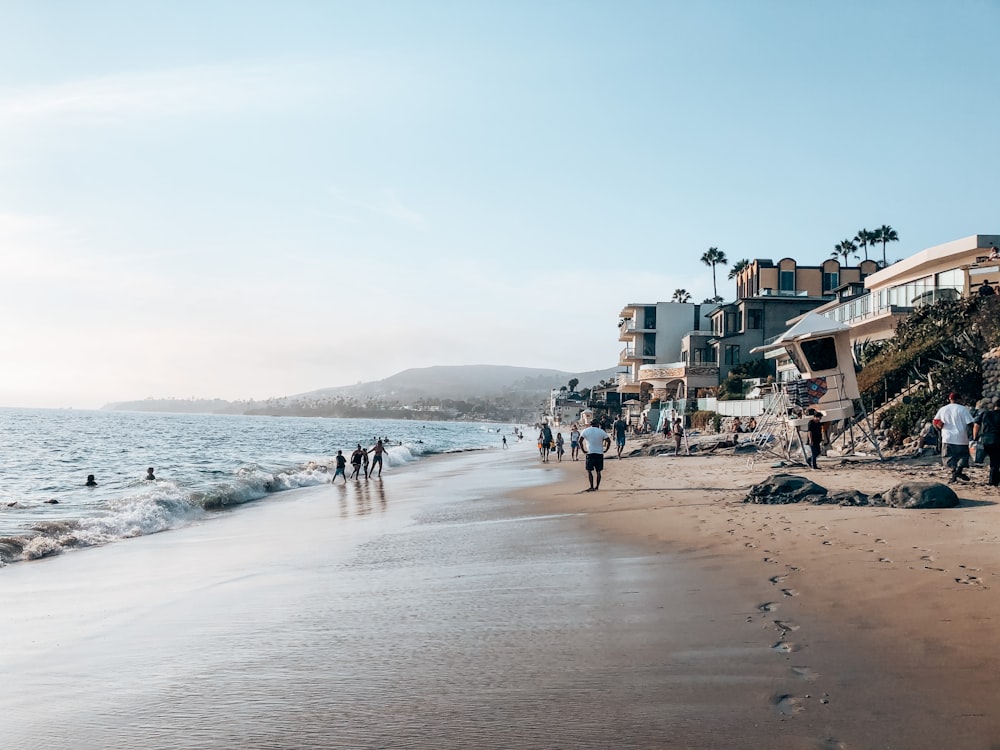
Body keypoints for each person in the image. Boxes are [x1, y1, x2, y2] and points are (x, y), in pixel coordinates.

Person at [933, 392, 975, 483]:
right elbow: (970, 423)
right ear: (959, 399)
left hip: (947, 437)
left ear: (950, 399)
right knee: (963, 456)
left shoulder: (943, 409)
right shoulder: (963, 409)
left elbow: (935, 421)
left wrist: (939, 429)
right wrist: (973, 435)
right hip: (961, 437)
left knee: (949, 457)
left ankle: (954, 474)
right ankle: (958, 472)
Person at [973, 402, 1000, 487]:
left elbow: (976, 425)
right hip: (997, 440)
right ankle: (993, 482)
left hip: (985, 440)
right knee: (995, 462)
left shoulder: (985, 413)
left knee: (992, 461)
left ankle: (994, 480)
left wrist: (975, 437)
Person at [580, 421, 612, 491]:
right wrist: (606, 449)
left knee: (589, 471)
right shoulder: (601, 431)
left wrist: (583, 450)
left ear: (590, 424)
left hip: (590, 452)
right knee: (598, 471)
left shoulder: (586, 431)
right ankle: (597, 486)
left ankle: (591, 486)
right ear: (597, 424)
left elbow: (580, 441)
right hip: (599, 453)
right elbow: (608, 441)